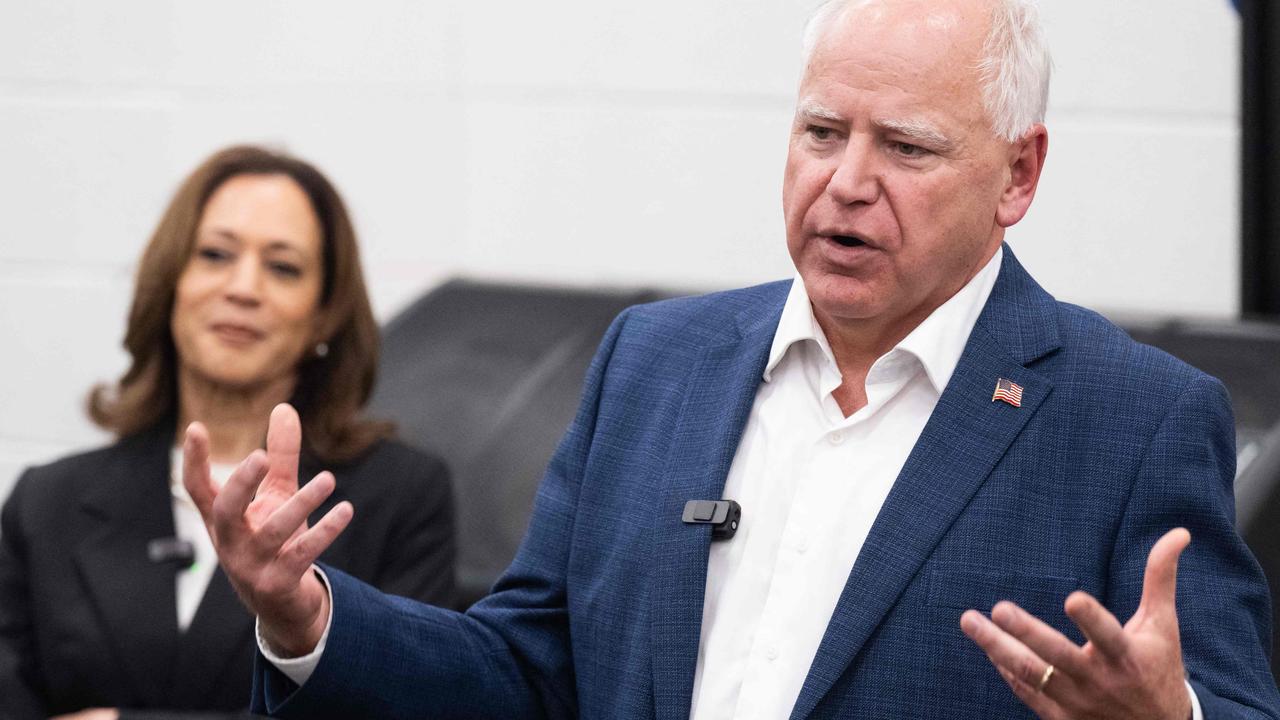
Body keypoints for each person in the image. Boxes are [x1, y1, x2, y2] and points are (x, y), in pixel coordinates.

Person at [187, 1, 1279, 718]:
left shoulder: (1132, 419)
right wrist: (307, 616)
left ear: (1016, 174)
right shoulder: (654, 364)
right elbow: (524, 674)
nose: (846, 181)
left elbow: (1222, 701)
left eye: (903, 146)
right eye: (819, 132)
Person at [0, 145, 456, 720]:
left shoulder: (400, 497)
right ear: (171, 285)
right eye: (215, 255)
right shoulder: (46, 501)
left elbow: (407, 709)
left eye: (283, 266)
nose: (243, 287)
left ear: (324, 315)